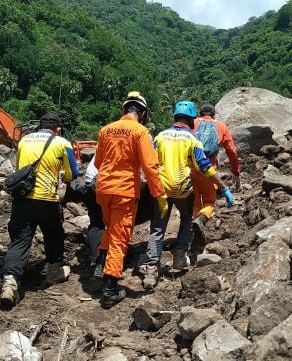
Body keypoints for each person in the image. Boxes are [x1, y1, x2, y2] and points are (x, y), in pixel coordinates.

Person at [138, 101, 234, 289]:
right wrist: (222, 187)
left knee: (157, 228)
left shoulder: (160, 137)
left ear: (175, 117)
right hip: (183, 189)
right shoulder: (192, 140)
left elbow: (149, 163)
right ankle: (180, 258)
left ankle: (151, 271)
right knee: (186, 219)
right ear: (191, 120)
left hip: (162, 190)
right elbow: (204, 166)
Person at [93, 91, 167, 309]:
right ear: (142, 113)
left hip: (103, 188)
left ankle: (101, 264)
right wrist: (159, 194)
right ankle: (110, 290)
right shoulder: (140, 132)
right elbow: (151, 167)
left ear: (124, 110)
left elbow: (98, 162)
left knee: (110, 228)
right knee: (119, 237)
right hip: (124, 191)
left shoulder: (106, 130)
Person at [0, 113, 79, 309]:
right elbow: (72, 174)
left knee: (19, 240)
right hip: (46, 199)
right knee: (53, 234)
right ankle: (53, 272)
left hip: (22, 198)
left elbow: (20, 169)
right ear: (57, 129)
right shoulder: (62, 142)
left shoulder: (24, 140)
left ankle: (10, 282)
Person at [190, 104, 240, 256]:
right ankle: (201, 221)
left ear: (200, 114)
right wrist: (235, 171)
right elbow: (232, 151)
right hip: (209, 168)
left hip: (190, 167)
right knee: (210, 201)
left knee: (195, 201)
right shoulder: (221, 126)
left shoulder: (193, 123)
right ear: (214, 115)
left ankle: (194, 232)